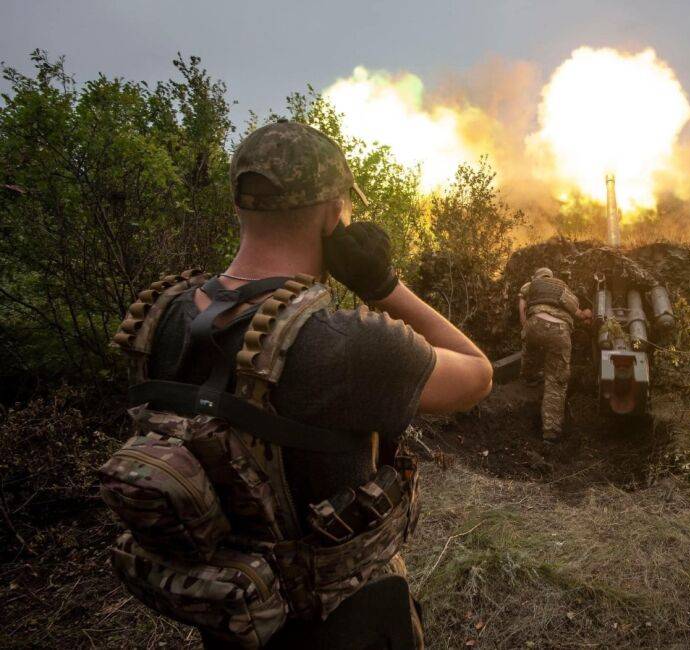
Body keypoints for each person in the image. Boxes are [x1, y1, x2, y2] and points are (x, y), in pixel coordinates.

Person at [103, 120, 493, 648]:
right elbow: (476, 374)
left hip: (235, 618)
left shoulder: (162, 317)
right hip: (348, 622)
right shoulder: (346, 342)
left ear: (241, 206)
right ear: (335, 214)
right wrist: (383, 285)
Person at [518, 267, 591, 441]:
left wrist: (524, 325)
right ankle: (550, 430)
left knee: (530, 350)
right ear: (552, 277)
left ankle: (529, 376)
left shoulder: (531, 284)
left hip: (533, 323)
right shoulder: (562, 288)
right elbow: (577, 312)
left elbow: (521, 303)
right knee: (556, 380)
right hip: (559, 330)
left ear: (536, 276)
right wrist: (586, 314)